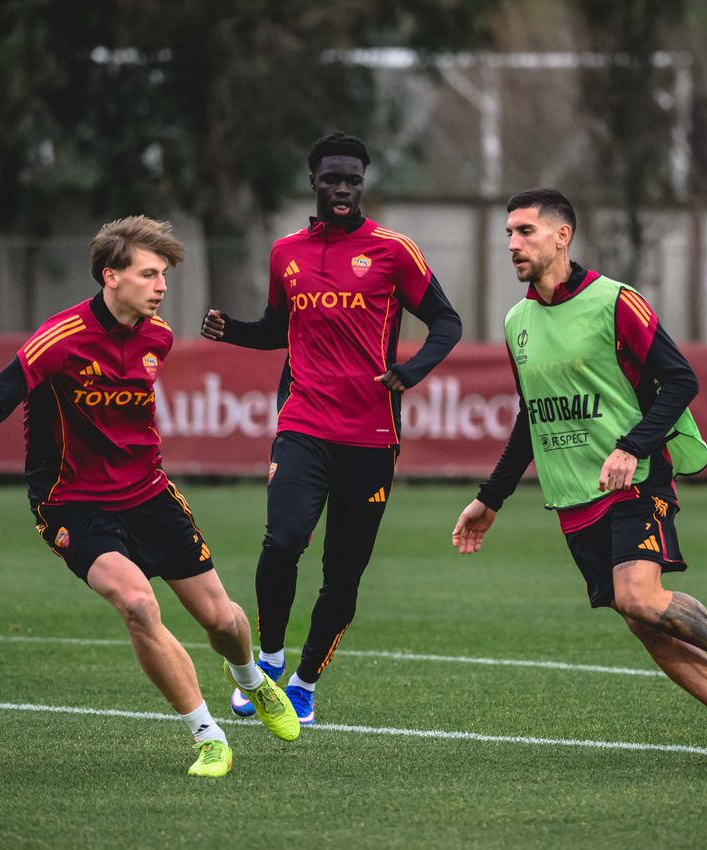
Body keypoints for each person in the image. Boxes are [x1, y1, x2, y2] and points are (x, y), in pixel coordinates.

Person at [0, 216, 299, 778]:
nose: (162, 286)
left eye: (164, 274)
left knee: (222, 621)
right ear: (111, 276)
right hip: (72, 502)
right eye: (149, 274)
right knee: (137, 603)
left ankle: (250, 679)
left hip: (148, 493)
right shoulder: (60, 338)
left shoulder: (158, 337)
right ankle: (209, 736)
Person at [452, 188, 707, 770]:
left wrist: (632, 447)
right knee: (640, 619)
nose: (512, 244)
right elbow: (532, 417)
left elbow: (681, 380)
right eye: (508, 233)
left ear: (562, 235)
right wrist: (491, 499)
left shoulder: (616, 301)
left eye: (525, 231)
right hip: (573, 497)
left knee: (640, 596)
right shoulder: (516, 322)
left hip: (637, 481)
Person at [200, 132, 462, 726]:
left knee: (343, 573)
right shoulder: (285, 252)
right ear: (313, 182)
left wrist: (411, 371)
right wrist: (232, 330)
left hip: (372, 438)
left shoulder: (394, 250)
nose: (342, 189)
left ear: (362, 184)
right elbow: (278, 328)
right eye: (332, 179)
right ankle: (268, 662)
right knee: (282, 541)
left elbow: (447, 322)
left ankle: (305, 684)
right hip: (304, 423)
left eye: (353, 180)